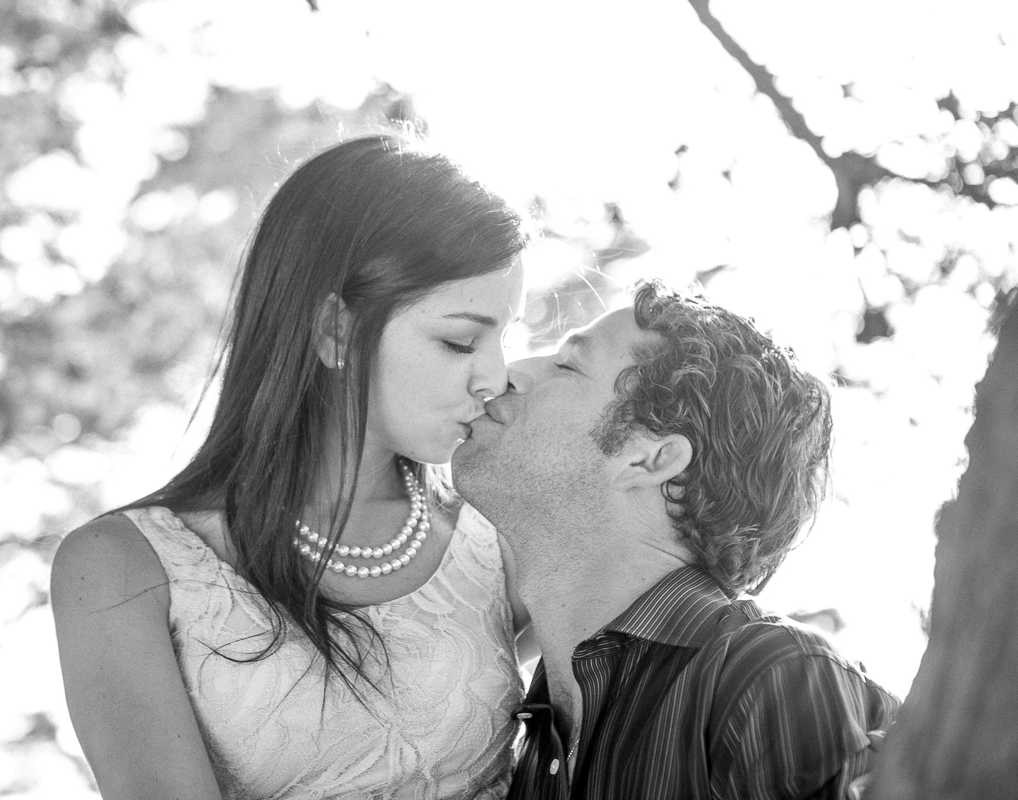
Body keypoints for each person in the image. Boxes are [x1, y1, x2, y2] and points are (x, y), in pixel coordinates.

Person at [50, 133, 531, 799]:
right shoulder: (123, 568)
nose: (495, 378)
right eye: (460, 341)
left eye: (505, 337)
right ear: (335, 329)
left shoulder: (500, 535)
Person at [453, 281, 900, 799]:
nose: (510, 371)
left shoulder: (774, 676)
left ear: (651, 459)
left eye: (567, 365)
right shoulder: (531, 729)